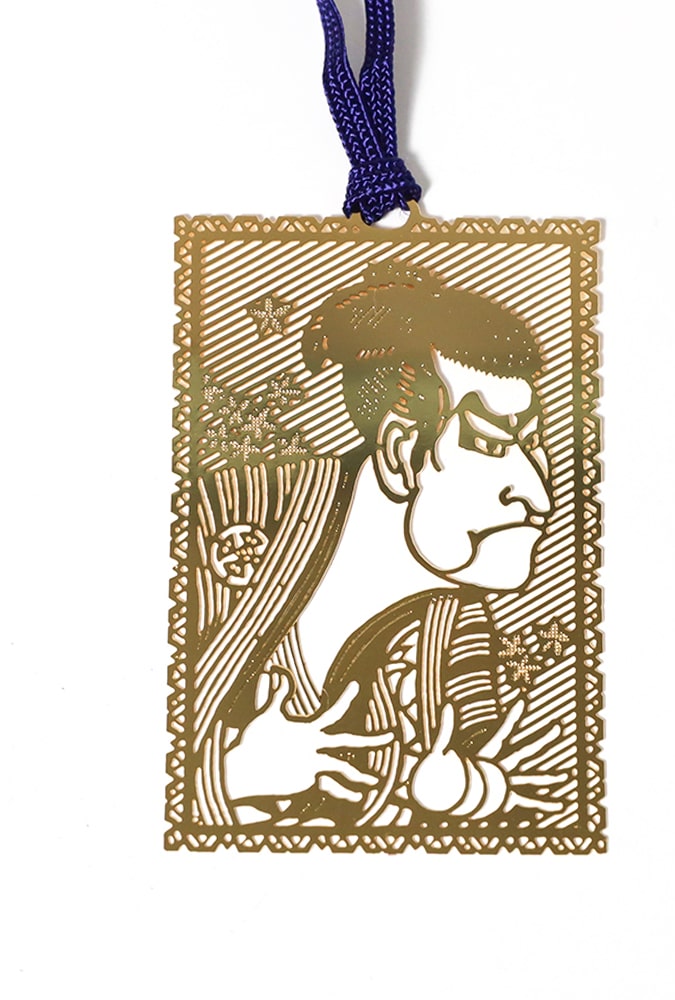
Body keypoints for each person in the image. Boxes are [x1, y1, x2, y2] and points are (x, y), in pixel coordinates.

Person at [221, 262, 566, 828]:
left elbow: (480, 777)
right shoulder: (233, 519)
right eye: (490, 444)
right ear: (403, 454)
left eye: (534, 446)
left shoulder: (454, 640)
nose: (538, 494)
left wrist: (472, 793)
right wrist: (236, 777)